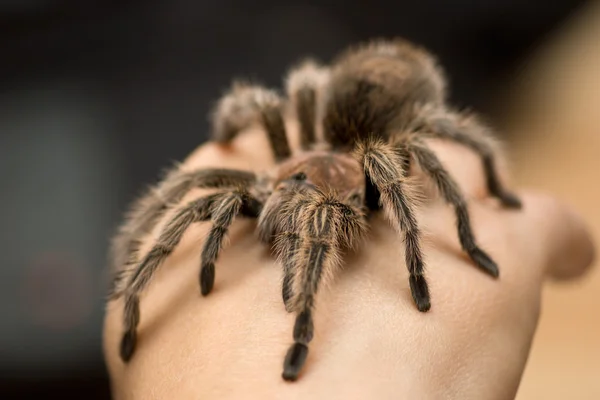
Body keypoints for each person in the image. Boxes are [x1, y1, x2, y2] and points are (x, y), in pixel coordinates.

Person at [103, 126, 594, 399]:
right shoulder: (258, 183)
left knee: (336, 205)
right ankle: (129, 290)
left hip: (346, 179)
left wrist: (417, 268)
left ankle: (303, 334)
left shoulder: (367, 178)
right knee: (194, 197)